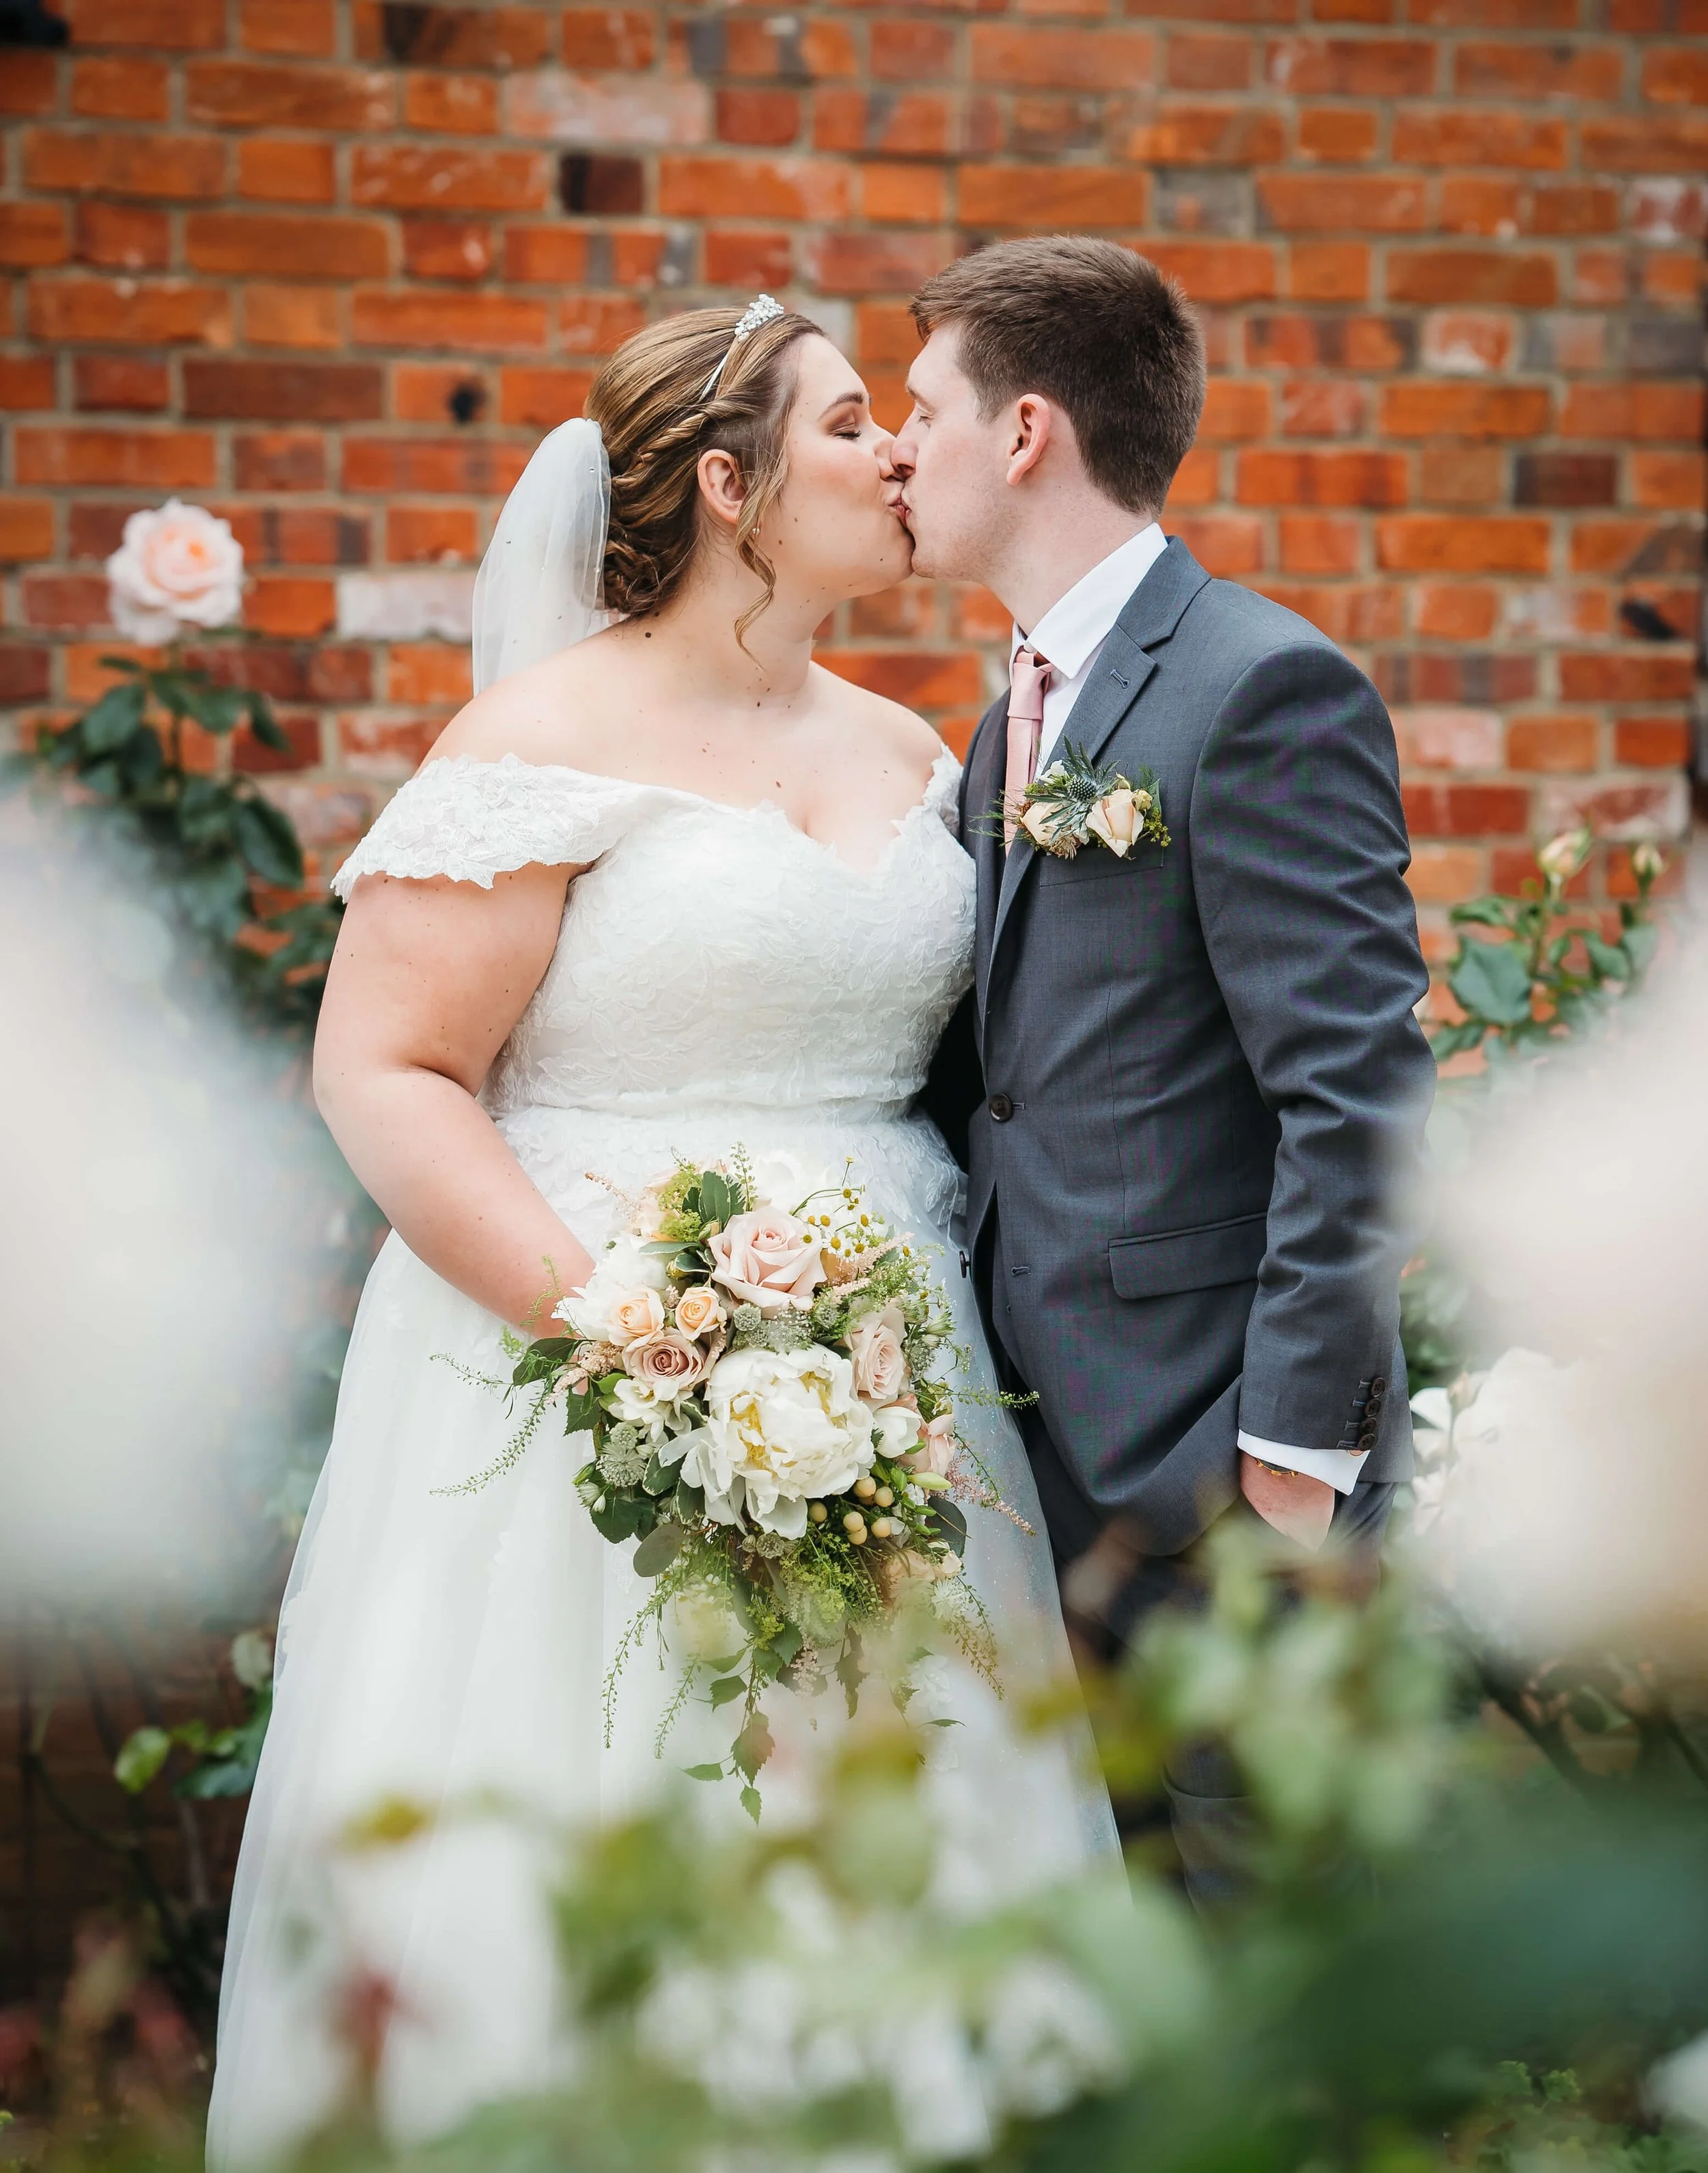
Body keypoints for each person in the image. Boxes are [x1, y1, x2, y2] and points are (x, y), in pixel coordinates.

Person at [206, 302, 1118, 2168]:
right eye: (852, 421)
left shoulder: (912, 747)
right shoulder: (538, 741)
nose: (895, 453)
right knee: (591, 1832)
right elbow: (383, 1070)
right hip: (575, 1376)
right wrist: (639, 1331)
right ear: (727, 483)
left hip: (895, 1378)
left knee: (902, 1843)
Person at [896, 237, 1436, 1902]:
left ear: (1023, 431)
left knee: (1256, 1962)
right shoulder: (1014, 716)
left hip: (1219, 1482)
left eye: (920, 410)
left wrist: (1286, 1466)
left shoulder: (1256, 685)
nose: (896, 449)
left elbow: (1356, 1096)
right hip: (1045, 1473)